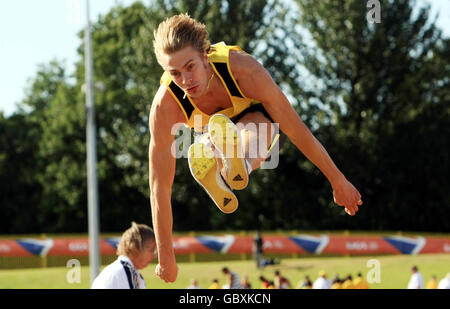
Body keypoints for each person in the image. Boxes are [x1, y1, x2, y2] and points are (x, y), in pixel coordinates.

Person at [149, 13, 363, 283]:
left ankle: (233, 162)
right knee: (225, 134)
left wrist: (338, 180)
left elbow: (296, 129)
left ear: (205, 56)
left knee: (256, 129)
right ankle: (221, 163)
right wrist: (165, 255)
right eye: (175, 73)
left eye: (190, 66)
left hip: (258, 120)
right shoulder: (164, 106)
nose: (185, 80)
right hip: (215, 131)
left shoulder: (244, 70)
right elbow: (159, 186)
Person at [91, 222, 156, 289]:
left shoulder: (118, 270)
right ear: (135, 247)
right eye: (151, 250)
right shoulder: (128, 272)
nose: (154, 256)